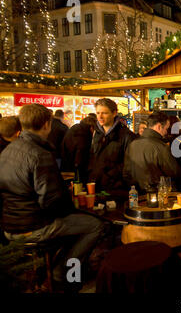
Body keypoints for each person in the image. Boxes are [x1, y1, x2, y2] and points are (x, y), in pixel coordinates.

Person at [0, 104, 104, 292]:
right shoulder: (40, 154)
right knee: (95, 225)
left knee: (74, 225)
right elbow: (52, 202)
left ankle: (58, 269)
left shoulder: (8, 150)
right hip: (34, 226)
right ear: (47, 124)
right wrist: (72, 205)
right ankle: (62, 271)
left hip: (8, 225)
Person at [123, 111, 180, 192]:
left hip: (135, 194)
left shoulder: (132, 144)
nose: (166, 132)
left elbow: (126, 173)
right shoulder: (160, 147)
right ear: (159, 126)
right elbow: (174, 172)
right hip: (157, 194)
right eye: (166, 129)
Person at [88, 98, 137, 192]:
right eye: (98, 113)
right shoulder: (95, 133)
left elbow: (129, 165)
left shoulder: (126, 135)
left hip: (116, 188)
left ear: (114, 113)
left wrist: (112, 176)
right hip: (96, 185)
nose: (100, 117)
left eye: (104, 113)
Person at [61, 115, 97, 183]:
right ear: (91, 128)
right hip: (76, 169)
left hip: (66, 164)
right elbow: (80, 153)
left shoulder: (75, 128)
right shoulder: (84, 135)